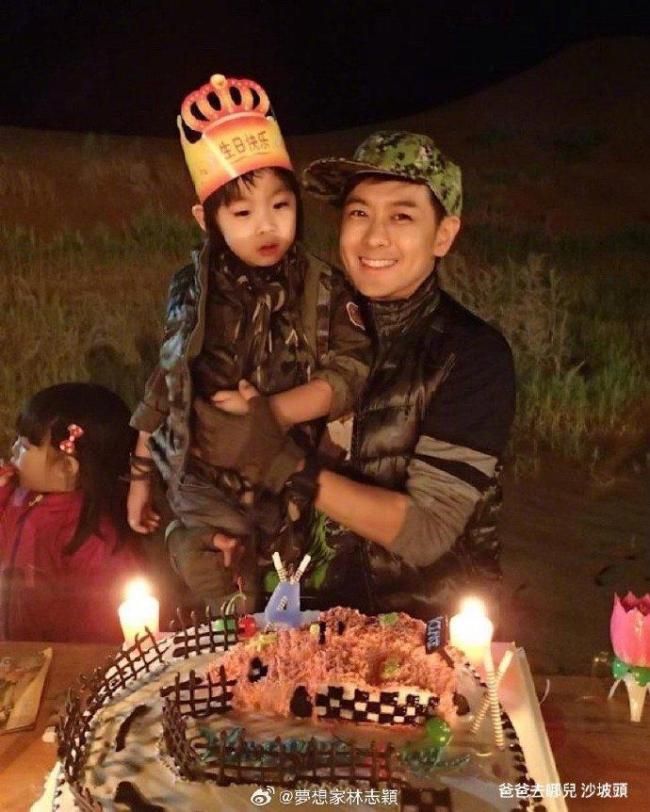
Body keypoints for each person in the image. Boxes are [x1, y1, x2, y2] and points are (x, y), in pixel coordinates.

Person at [212, 131, 516, 620]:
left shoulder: (470, 355)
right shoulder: (299, 325)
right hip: (292, 615)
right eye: (359, 213)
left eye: (401, 216)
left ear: (443, 234)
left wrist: (283, 463)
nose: (374, 237)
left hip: (415, 625)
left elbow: (428, 531)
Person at [127, 74, 368, 612]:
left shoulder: (322, 287)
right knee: (217, 599)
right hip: (203, 484)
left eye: (280, 206)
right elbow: (168, 376)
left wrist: (273, 413)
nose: (266, 227)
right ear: (206, 219)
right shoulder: (192, 286)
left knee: (291, 608)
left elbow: (351, 372)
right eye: (241, 213)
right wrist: (140, 474)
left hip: (289, 480)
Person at [0, 383, 145, 642]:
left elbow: (108, 623)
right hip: (15, 652)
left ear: (66, 467)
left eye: (24, 447)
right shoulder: (19, 497)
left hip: (61, 657)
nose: (13, 451)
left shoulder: (96, 538)